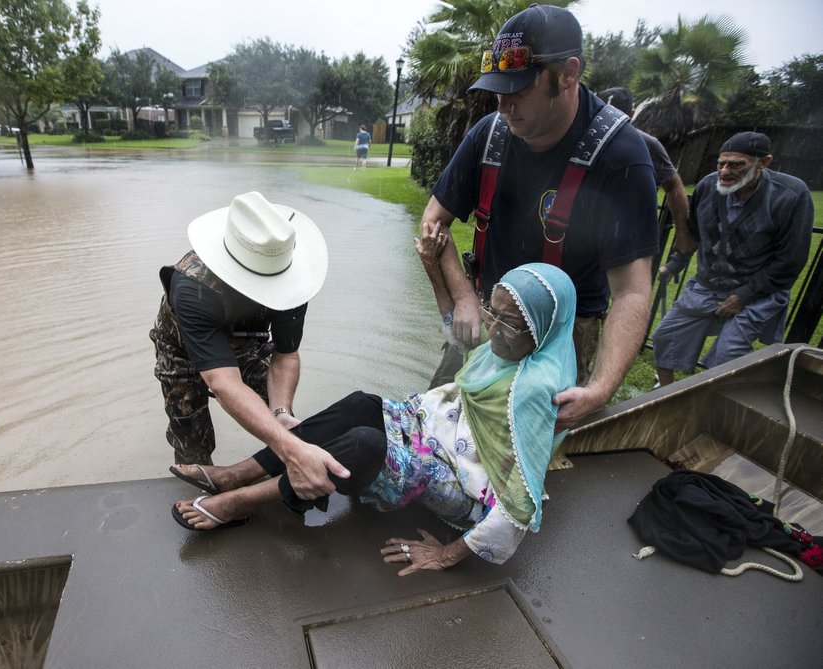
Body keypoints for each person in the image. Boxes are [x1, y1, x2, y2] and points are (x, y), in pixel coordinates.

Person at [172, 246, 578, 576]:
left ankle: (240, 501)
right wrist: (434, 263)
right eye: (494, 312)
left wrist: (445, 555)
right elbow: (457, 332)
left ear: (542, 330)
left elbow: (518, 507)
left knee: (364, 446)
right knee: (360, 403)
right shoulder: (503, 349)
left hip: (463, 482)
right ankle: (239, 472)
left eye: (508, 323)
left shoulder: (533, 392)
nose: (492, 328)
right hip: (435, 435)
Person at [421, 4, 658, 429]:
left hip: (562, 334)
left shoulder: (620, 156)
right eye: (498, 90)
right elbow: (433, 222)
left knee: (527, 454)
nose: (505, 105)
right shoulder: (490, 134)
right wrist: (463, 297)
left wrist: (600, 388)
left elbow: (632, 292)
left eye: (520, 88)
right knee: (436, 423)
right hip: (488, 310)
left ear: (568, 74)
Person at [149, 191, 350, 500]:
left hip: (246, 347)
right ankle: (202, 500)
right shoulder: (193, 288)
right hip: (182, 352)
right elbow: (224, 382)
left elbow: (286, 353)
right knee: (192, 440)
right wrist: (288, 446)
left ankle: (277, 490)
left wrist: (281, 412)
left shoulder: (293, 279)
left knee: (286, 429)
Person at [652, 131, 813, 386]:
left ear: (764, 162)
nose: (725, 171)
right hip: (709, 284)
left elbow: (791, 259)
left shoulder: (791, 195)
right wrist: (675, 263)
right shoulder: (707, 186)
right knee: (665, 336)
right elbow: (692, 232)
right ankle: (665, 389)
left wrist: (745, 295)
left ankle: (714, 401)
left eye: (736, 164)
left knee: (728, 355)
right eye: (721, 164)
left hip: (758, 292)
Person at [596, 86, 692, 255]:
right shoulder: (583, 139)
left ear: (631, 115)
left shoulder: (644, 144)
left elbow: (673, 184)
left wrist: (682, 234)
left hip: (624, 233)